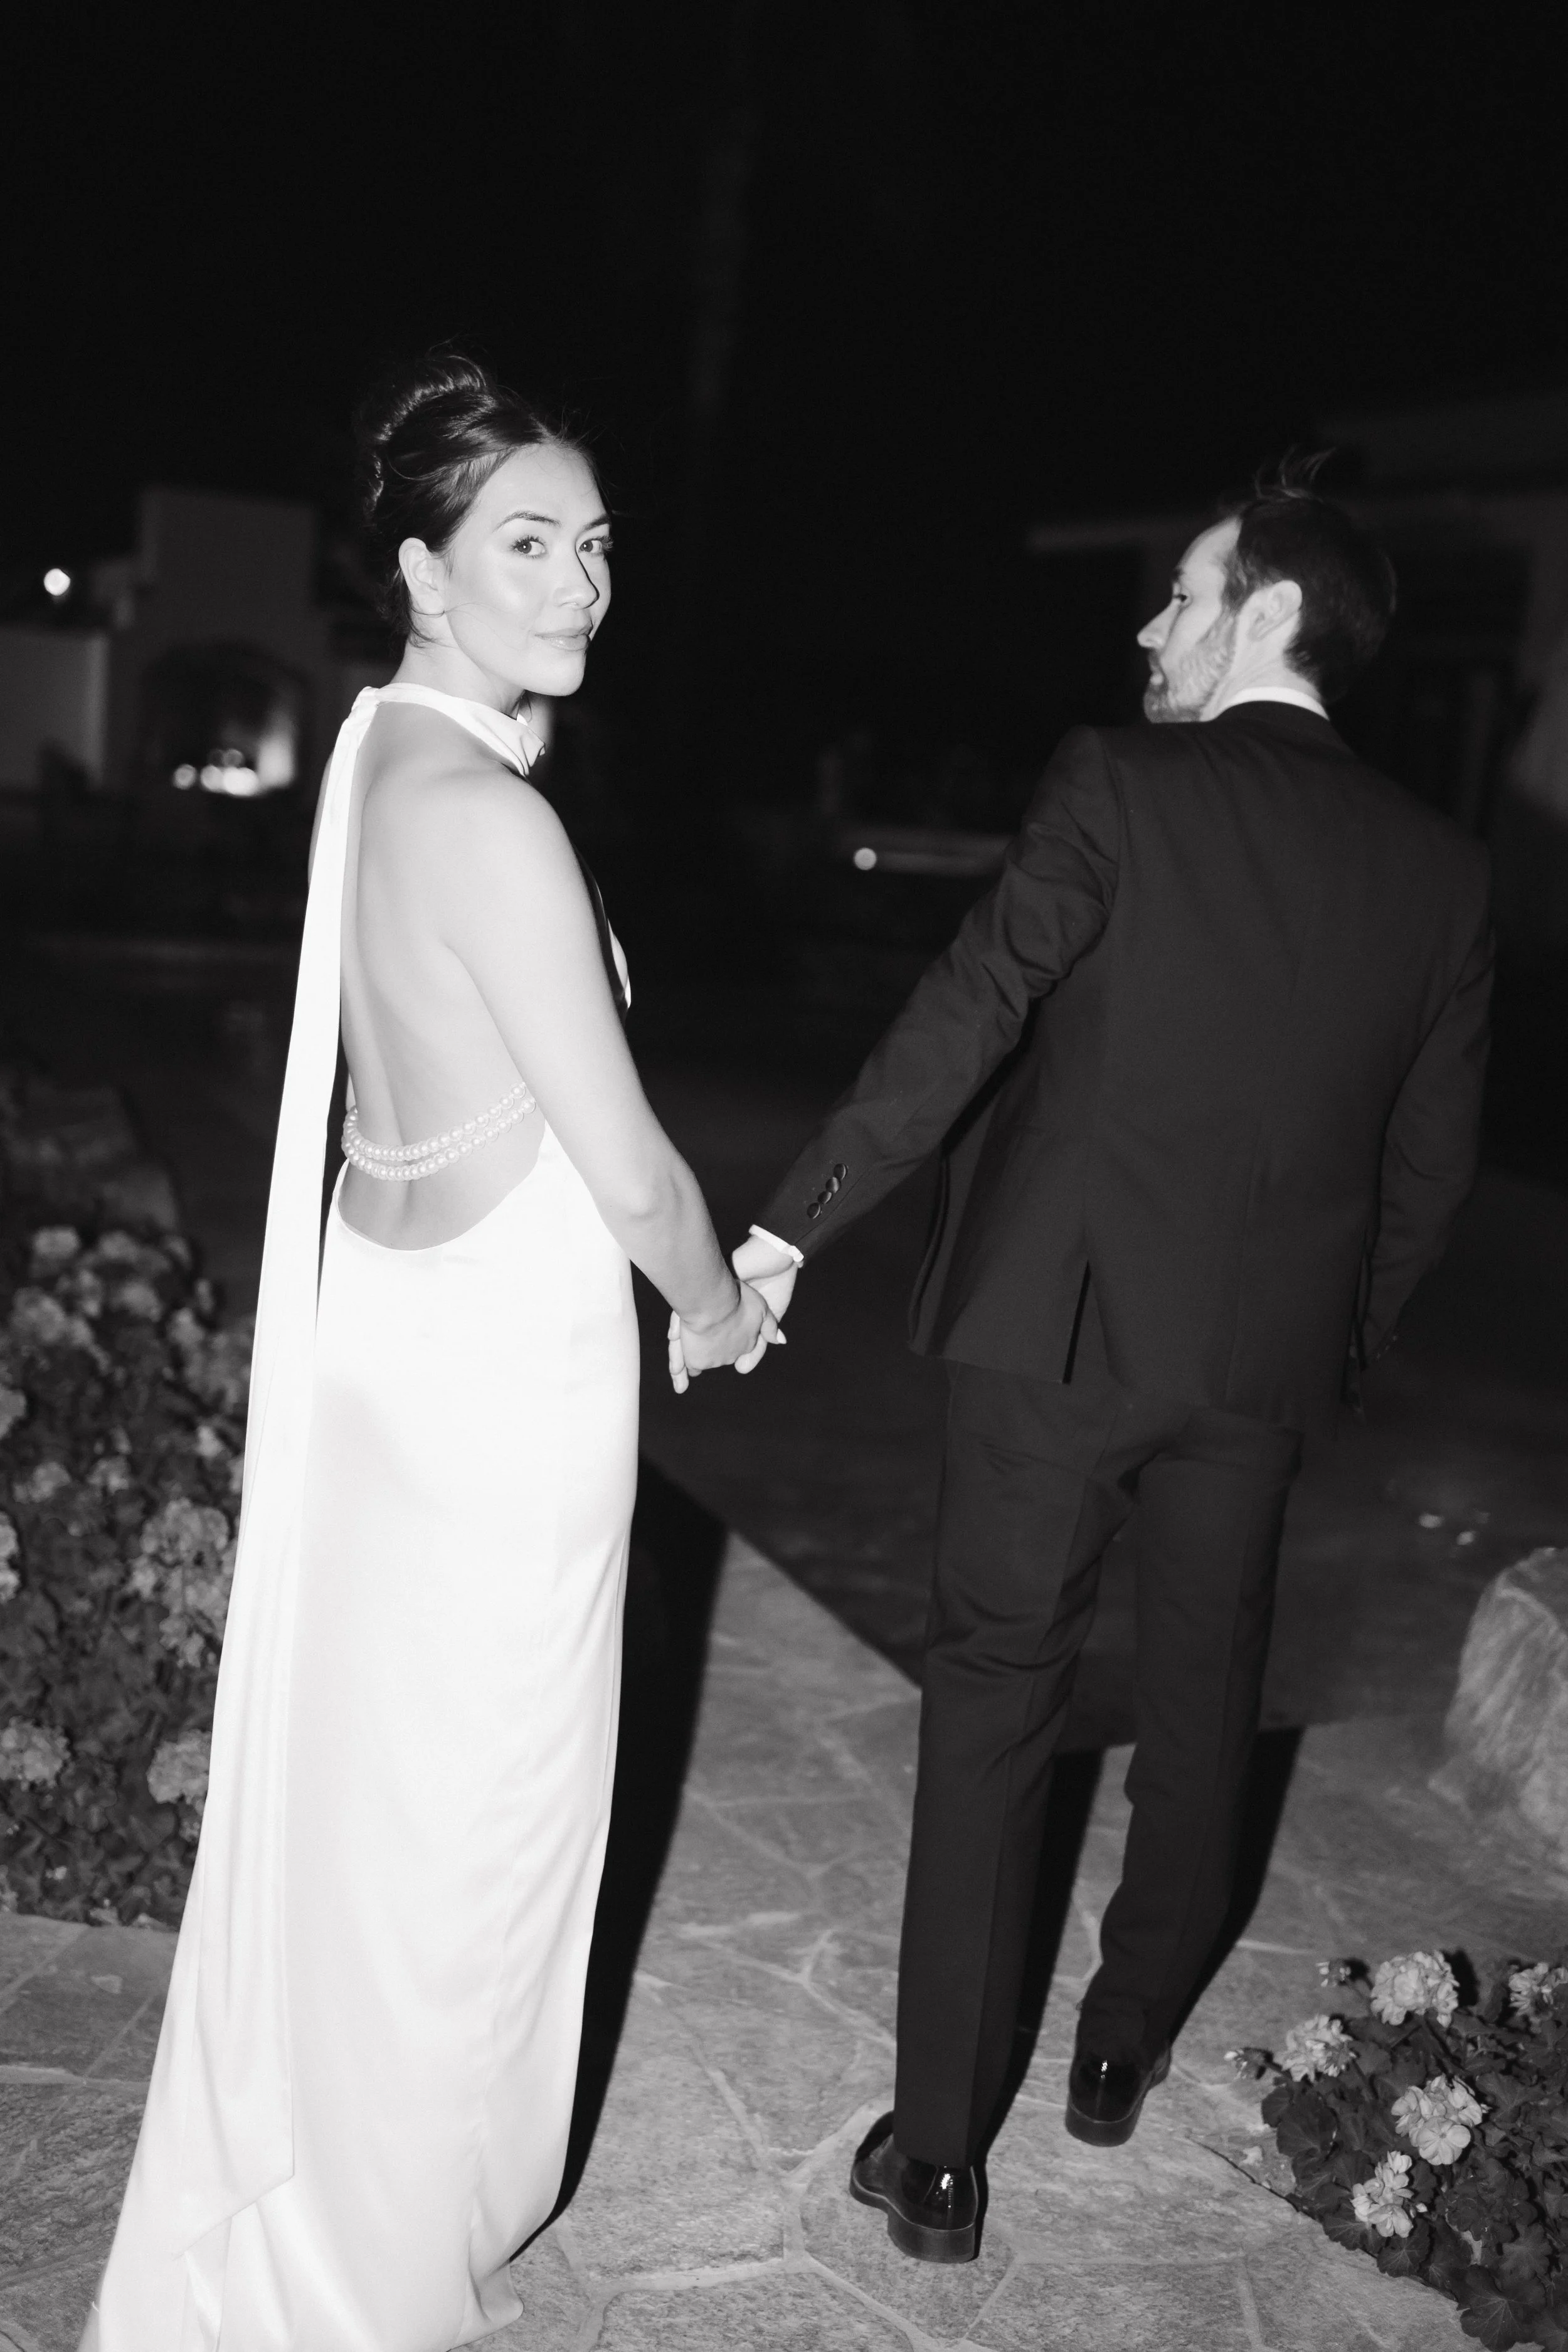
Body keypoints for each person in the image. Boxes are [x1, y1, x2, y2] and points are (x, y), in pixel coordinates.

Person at [84, 352, 779, 2350]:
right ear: (422, 566)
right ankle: (373, 2256)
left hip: (400, 1321)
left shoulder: (380, 757)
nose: (579, 583)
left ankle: (348, 2170)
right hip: (495, 1377)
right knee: (477, 1822)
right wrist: (719, 1308)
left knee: (391, 1803)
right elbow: (634, 1173)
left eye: (594, 545)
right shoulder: (490, 816)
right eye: (529, 544)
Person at [734, 462, 1491, 2262]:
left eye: (1180, 592)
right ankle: (1114, 2048)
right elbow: (1428, 1167)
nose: (1147, 624)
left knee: (994, 1697)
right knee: (1202, 1694)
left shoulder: (1122, 786)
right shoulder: (1437, 870)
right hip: (1253, 1366)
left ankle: (935, 2157)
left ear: (1268, 611)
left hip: (1048, 1338)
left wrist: (785, 1227)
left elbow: (969, 1004)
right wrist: (1341, 1334)